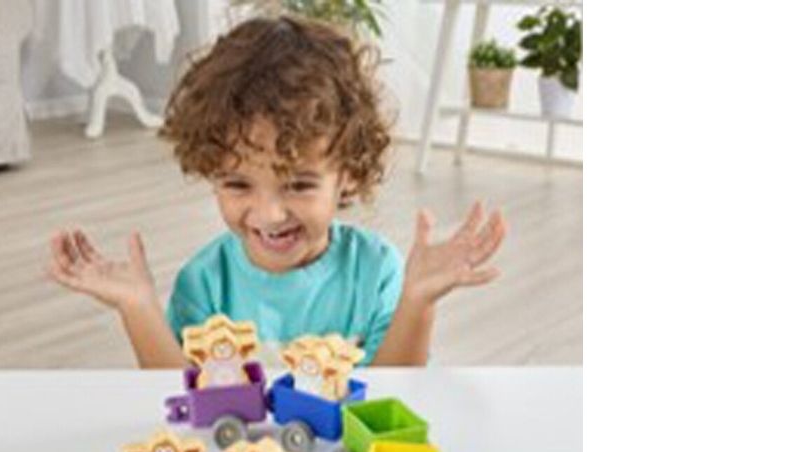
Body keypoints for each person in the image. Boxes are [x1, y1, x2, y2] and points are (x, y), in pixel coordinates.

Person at [47, 15, 506, 367]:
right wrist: (138, 307)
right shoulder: (204, 283)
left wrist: (418, 302)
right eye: (237, 183)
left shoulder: (376, 272)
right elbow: (188, 402)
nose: (269, 215)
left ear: (348, 171)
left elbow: (389, 397)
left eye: (299, 185)